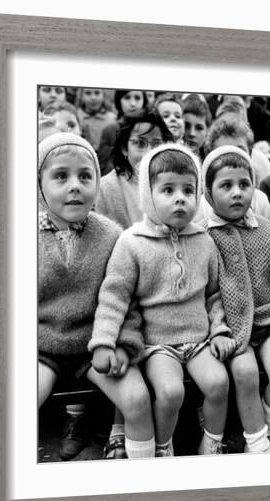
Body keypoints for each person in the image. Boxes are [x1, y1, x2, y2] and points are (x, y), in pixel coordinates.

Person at [89, 143, 235, 457]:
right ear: (148, 193)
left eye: (188, 190)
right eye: (167, 190)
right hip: (158, 344)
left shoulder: (204, 239)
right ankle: (161, 447)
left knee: (218, 383)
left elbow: (214, 294)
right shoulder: (132, 242)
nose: (180, 198)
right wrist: (104, 341)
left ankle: (212, 444)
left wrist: (220, 330)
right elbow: (115, 296)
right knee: (171, 392)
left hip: (199, 340)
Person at [38, 132, 155, 460]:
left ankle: (144, 477)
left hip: (94, 344)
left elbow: (126, 300)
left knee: (136, 399)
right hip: (41, 346)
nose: (74, 185)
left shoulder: (111, 236)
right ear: (39, 185)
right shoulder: (22, 235)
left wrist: (122, 344)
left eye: (85, 176)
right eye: (61, 176)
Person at [202, 145, 270, 453]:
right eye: (226, 185)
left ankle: (269, 428)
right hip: (234, 330)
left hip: (268, 319)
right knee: (245, 373)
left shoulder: (266, 230)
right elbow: (207, 293)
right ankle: (257, 444)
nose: (237, 192)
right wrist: (218, 330)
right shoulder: (205, 237)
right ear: (208, 193)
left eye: (244, 184)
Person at [96, 110, 174, 230]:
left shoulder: (174, 184)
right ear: (124, 149)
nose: (148, 152)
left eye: (156, 144)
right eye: (140, 144)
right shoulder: (105, 188)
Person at [195, 114, 270, 223]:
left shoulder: (261, 201)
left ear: (250, 154)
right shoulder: (201, 208)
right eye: (224, 154)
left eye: (240, 151)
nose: (233, 159)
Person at [97, 89, 148, 175]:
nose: (133, 104)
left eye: (137, 98)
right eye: (127, 98)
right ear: (118, 101)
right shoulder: (110, 130)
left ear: (144, 101)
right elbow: (104, 166)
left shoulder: (150, 129)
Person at [181, 94, 212, 161]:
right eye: (186, 126)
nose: (192, 133)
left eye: (199, 128)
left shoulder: (212, 162)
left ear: (207, 131)